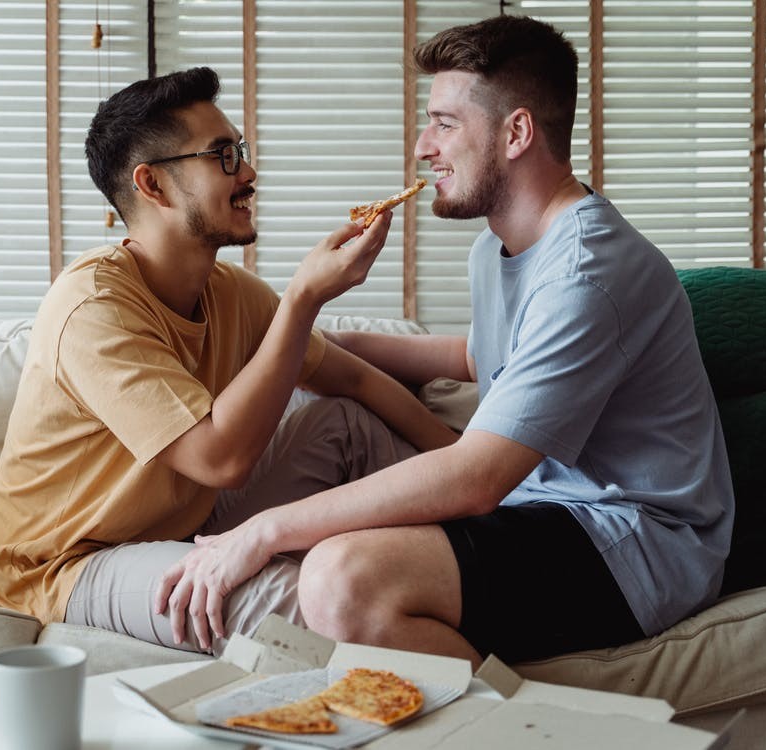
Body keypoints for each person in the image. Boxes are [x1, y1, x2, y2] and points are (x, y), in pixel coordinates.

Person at [156, 15, 735, 668]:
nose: (421, 147)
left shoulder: (589, 271)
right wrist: (315, 344)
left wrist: (259, 532)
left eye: (444, 122)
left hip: (633, 541)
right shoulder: (497, 249)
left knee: (342, 579)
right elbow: (480, 359)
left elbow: (479, 476)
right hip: (538, 508)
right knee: (330, 463)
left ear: (516, 132)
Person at [0, 66, 457, 656]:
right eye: (223, 156)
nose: (249, 173)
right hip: (70, 557)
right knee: (304, 603)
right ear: (153, 186)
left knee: (343, 423)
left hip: (182, 523)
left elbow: (352, 376)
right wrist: (304, 298)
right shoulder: (93, 309)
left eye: (242, 152)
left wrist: (487, 473)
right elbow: (220, 458)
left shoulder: (232, 293)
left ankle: (484, 557)